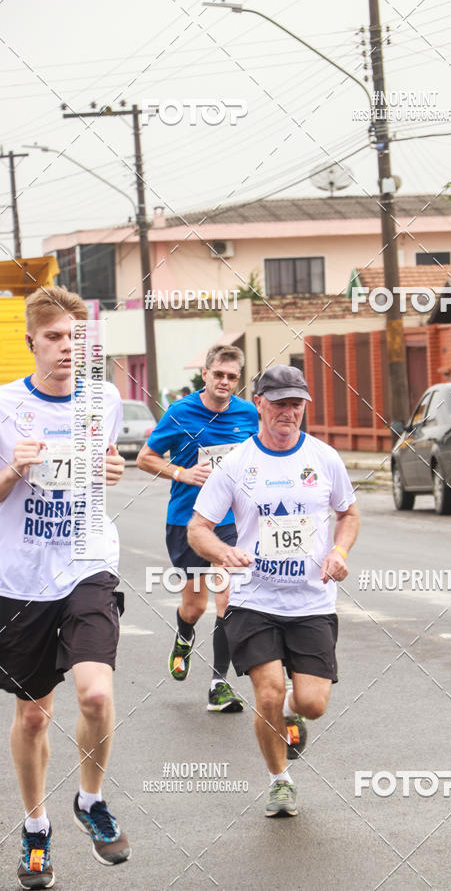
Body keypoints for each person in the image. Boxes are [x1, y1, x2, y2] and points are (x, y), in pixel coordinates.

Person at [0, 286, 130, 889]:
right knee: (32, 718)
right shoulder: (3, 408)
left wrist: (111, 467)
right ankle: (35, 828)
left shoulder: (104, 399)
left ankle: (90, 799)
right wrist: (13, 470)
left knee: (96, 696)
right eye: (54, 337)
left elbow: (101, 466)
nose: (66, 348)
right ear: (31, 342)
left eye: (77, 338)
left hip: (86, 560)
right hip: (21, 576)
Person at [187, 364, 360, 817]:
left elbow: (349, 513)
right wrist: (224, 554)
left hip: (311, 600)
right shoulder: (236, 464)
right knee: (264, 694)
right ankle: (279, 780)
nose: (289, 412)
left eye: (296, 403)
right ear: (260, 404)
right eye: (280, 403)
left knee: (312, 704)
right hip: (252, 599)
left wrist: (339, 551)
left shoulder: (324, 458)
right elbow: (198, 529)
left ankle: (291, 707)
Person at [136, 345, 258, 712]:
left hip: (229, 523)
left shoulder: (249, 414)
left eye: (231, 377)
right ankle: (184, 634)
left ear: (238, 380)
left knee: (228, 599)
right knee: (194, 605)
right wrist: (182, 473)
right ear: (205, 374)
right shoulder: (180, 412)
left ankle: (218, 686)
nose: (224, 382)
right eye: (218, 374)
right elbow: (145, 457)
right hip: (187, 521)